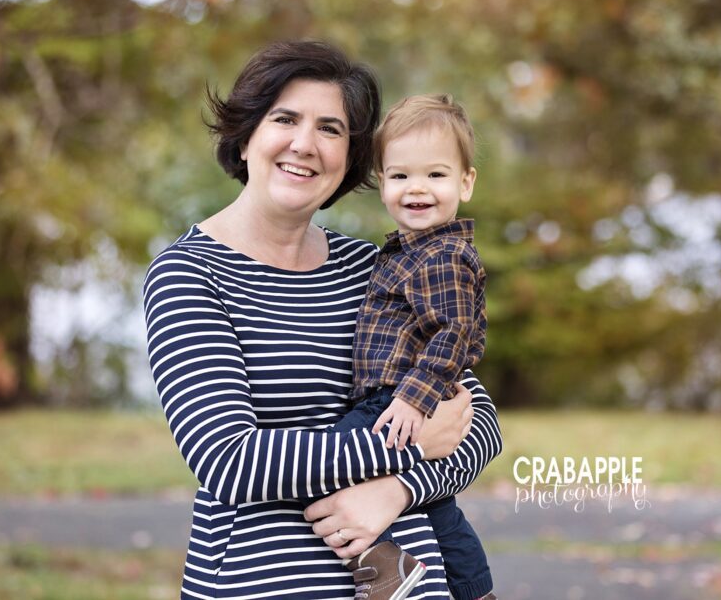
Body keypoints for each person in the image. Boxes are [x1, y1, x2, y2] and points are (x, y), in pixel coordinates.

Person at [142, 40, 503, 599]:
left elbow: (476, 423)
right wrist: (403, 447)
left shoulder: (376, 267)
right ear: (245, 138)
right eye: (284, 119)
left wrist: (396, 491)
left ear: (351, 157)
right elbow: (228, 460)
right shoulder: (189, 273)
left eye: (331, 129)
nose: (305, 144)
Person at [302, 94, 495, 600]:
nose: (417, 189)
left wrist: (414, 397)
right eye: (401, 176)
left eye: (436, 175)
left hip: (395, 398)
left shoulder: (442, 256)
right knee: (440, 506)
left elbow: (455, 334)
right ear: (382, 183)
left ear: (466, 182)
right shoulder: (405, 253)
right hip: (400, 395)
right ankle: (475, 590)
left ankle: (384, 564)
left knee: (332, 462)